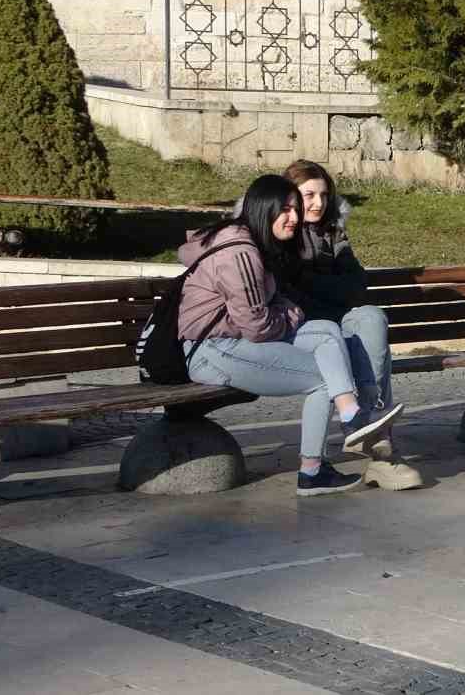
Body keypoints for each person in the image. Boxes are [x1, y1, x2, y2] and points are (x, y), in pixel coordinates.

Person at [179, 174, 404, 497]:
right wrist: (293, 313)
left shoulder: (260, 245)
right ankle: (316, 466)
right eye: (286, 209)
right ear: (262, 209)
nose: (295, 218)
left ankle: (352, 413)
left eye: (295, 209)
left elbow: (274, 306)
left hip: (236, 341)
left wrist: (287, 311)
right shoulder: (240, 252)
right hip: (212, 351)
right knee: (322, 378)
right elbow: (257, 326)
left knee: (326, 332)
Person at [282, 159, 421, 491]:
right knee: (344, 342)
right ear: (289, 197)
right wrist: (331, 290)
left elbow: (358, 285)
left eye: (324, 195)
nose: (318, 203)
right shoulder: (281, 231)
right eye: (309, 195)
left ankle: (370, 420)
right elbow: (294, 294)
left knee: (371, 318)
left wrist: (317, 285)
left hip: (337, 319)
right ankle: (376, 443)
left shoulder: (333, 231)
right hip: (303, 329)